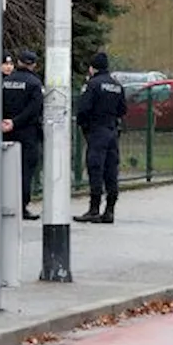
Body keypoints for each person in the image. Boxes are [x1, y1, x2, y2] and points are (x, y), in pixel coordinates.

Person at [74, 52, 127, 223]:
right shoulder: (117, 85)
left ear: (92, 68)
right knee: (111, 170)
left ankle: (94, 209)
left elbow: (83, 109)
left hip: (96, 131)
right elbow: (122, 110)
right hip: (112, 130)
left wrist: (85, 126)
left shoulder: (92, 85)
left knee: (95, 168)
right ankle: (110, 210)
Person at [1, 49, 45, 220]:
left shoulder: (5, 81)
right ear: (33, 65)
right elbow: (34, 109)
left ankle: (6, 203)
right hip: (27, 132)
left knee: (7, 169)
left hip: (5, 130)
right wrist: (17, 122)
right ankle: (22, 206)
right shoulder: (34, 83)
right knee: (25, 170)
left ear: (18, 62)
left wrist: (5, 121)